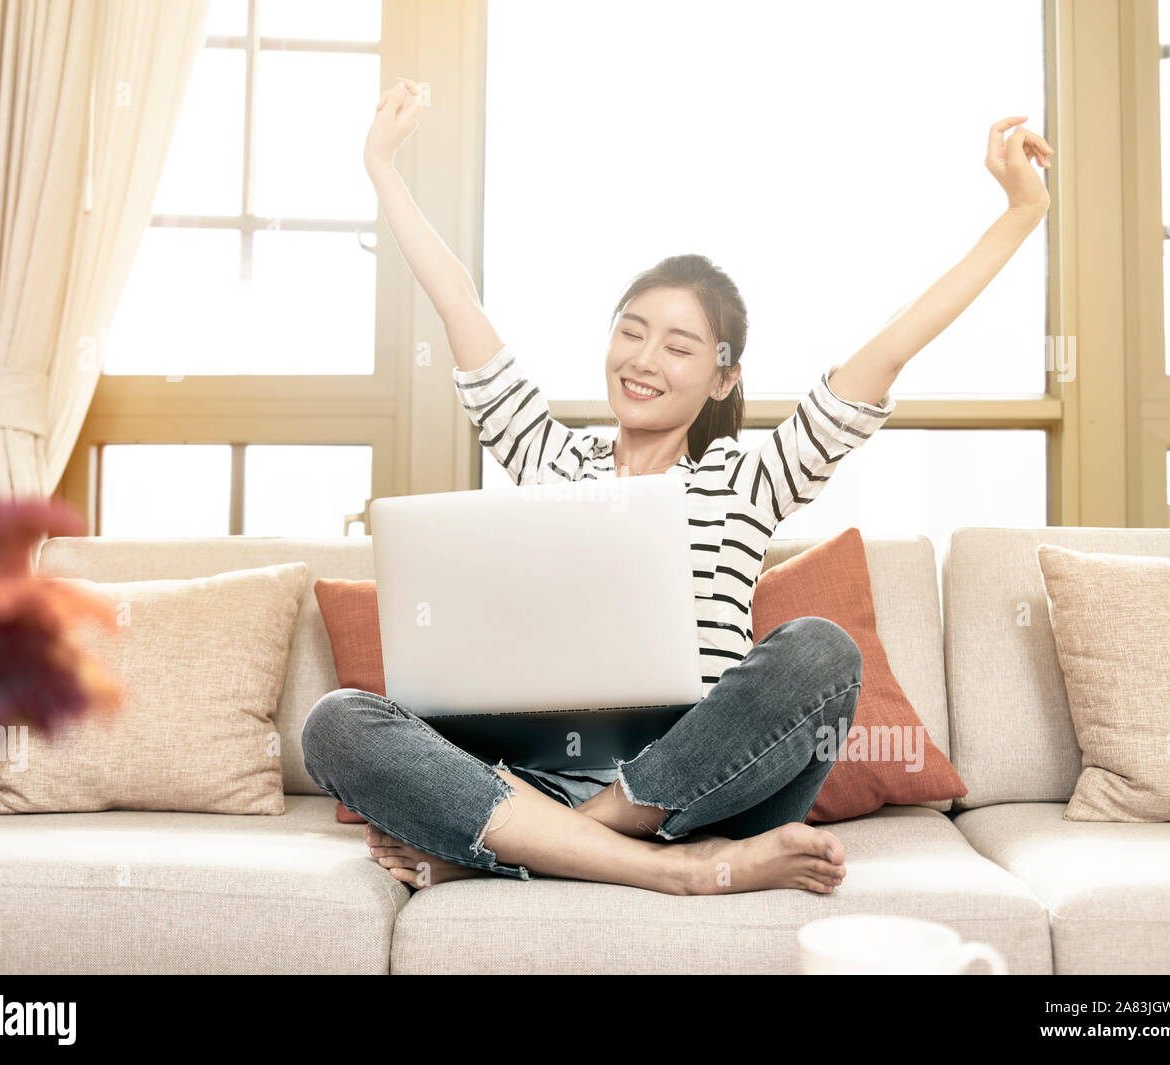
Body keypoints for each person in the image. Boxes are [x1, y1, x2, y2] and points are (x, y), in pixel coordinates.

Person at [302, 77, 1054, 896]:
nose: (645, 359)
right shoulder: (553, 461)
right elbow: (458, 301)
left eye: (679, 346)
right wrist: (383, 167)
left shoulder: (748, 477)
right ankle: (663, 871)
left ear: (724, 379)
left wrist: (1019, 215)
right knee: (336, 722)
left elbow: (888, 351)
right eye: (631, 331)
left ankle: (558, 847)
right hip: (538, 776)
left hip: (708, 791)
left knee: (821, 651)